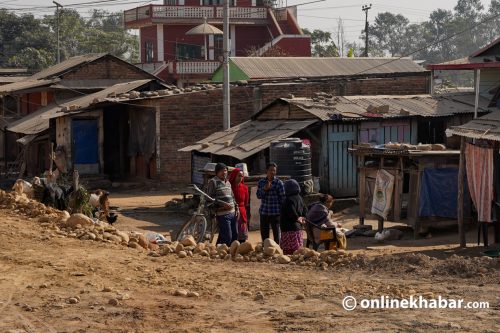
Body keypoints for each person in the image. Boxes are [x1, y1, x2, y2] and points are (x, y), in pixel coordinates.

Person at [206, 163, 238, 246]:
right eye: (221, 171)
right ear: (217, 172)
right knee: (228, 237)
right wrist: (221, 206)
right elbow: (209, 200)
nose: (224, 172)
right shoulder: (213, 182)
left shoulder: (228, 183)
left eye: (225, 170)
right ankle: (223, 254)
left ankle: (219, 250)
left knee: (234, 236)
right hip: (222, 214)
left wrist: (237, 209)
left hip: (232, 213)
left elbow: (232, 197)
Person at [256, 162, 285, 244]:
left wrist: (281, 212)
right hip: (264, 212)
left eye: (274, 170)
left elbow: (283, 198)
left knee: (276, 233)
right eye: (270, 170)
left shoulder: (279, 183)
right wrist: (265, 189)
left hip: (275, 212)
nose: (272, 172)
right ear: (266, 171)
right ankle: (265, 249)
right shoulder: (261, 182)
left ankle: (277, 249)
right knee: (264, 233)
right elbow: (258, 195)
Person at [280, 179, 307, 255]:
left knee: (289, 252)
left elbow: (291, 213)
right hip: (298, 228)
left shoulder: (288, 200)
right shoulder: (300, 198)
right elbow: (305, 210)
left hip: (288, 229)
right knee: (297, 251)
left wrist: (296, 218)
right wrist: (302, 218)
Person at [228, 168, 249, 242]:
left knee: (242, 236)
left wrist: (241, 209)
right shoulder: (229, 187)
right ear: (234, 176)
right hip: (231, 211)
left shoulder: (245, 188)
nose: (240, 178)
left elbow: (246, 202)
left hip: (242, 212)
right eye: (239, 176)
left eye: (242, 176)